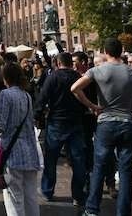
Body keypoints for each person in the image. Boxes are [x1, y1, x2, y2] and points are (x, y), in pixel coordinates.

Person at [71, 37, 132, 216]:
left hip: (106, 122)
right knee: (125, 171)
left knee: (99, 167)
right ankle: (123, 212)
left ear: (105, 51)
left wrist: (93, 106)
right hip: (128, 122)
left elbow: (74, 88)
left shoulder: (97, 70)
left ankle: (92, 209)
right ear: (121, 51)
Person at [35, 52, 86, 206]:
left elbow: (42, 99)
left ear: (58, 63)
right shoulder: (79, 77)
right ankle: (77, 194)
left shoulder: (52, 78)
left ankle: (47, 191)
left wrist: (37, 116)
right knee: (78, 161)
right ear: (72, 63)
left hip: (56, 122)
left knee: (51, 159)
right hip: (76, 122)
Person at [0, 62, 41, 216]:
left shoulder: (5, 95)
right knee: (31, 197)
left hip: (12, 152)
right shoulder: (26, 95)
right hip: (29, 151)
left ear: (5, 77)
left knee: (14, 197)